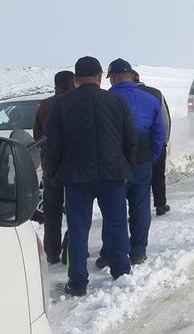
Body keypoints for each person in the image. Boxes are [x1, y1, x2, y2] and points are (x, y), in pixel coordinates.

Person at [43, 56, 135, 296]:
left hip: (75, 177)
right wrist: (127, 166)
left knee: (77, 228)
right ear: (99, 76)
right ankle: (121, 271)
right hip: (112, 174)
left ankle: (78, 281)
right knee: (116, 223)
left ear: (75, 79)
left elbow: (51, 144)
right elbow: (130, 139)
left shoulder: (61, 104)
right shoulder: (117, 101)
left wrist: (51, 172)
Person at [100, 58, 165, 266]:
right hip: (142, 158)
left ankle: (112, 252)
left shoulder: (105, 99)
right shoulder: (150, 99)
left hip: (114, 159)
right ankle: (138, 251)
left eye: (110, 78)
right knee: (140, 206)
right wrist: (152, 158)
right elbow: (159, 134)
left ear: (115, 76)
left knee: (113, 208)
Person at [33, 70, 75, 264]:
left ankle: (51, 252)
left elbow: (37, 137)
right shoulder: (76, 103)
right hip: (74, 167)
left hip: (50, 166)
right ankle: (70, 249)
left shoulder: (45, 105)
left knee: (52, 210)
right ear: (73, 83)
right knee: (76, 208)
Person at [132, 70, 172, 216]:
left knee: (136, 179)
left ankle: (136, 210)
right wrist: (164, 140)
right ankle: (160, 204)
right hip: (156, 141)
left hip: (133, 145)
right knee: (158, 175)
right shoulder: (156, 93)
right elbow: (165, 119)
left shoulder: (121, 95)